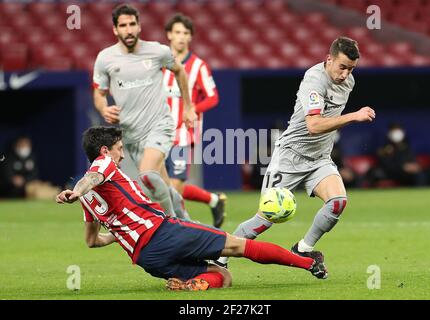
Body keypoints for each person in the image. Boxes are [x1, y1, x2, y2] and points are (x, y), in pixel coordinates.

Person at [55, 126, 326, 291]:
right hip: (162, 233)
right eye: (118, 149)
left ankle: (191, 285)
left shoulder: (88, 200)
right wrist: (74, 191)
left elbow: (92, 241)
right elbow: (91, 178)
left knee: (223, 276)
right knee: (238, 246)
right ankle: (309, 263)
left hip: (146, 259)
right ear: (104, 151)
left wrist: (121, 231)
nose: (122, 155)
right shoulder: (102, 166)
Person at [216, 37, 376, 278]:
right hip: (290, 157)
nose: (345, 74)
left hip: (319, 158)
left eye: (351, 68)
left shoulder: (348, 81)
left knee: (338, 202)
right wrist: (354, 116)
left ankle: (303, 249)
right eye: (342, 67)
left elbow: (328, 120)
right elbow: (313, 125)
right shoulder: (314, 81)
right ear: (329, 59)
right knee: (266, 218)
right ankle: (220, 258)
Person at [92, 4, 197, 219]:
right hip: (131, 134)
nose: (128, 30)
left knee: (148, 175)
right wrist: (103, 108)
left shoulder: (158, 51)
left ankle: (173, 227)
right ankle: (188, 224)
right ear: (115, 30)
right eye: (123, 25)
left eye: (132, 24)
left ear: (139, 26)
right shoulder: (105, 59)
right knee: (161, 185)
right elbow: (99, 93)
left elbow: (180, 71)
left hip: (160, 125)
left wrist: (188, 106)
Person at [163, 13, 226, 228]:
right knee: (163, 187)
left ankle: (185, 230)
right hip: (158, 133)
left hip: (183, 134)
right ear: (169, 35)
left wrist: (193, 109)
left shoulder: (198, 66)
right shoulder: (159, 63)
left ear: (190, 37)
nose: (181, 37)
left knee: (173, 187)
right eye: (177, 32)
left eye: (186, 33)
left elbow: (213, 97)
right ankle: (213, 200)